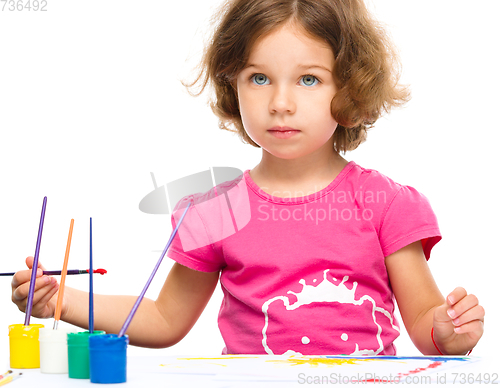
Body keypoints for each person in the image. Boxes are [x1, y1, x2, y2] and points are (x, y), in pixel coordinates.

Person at [11, 0, 484, 356]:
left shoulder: (386, 205)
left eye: (309, 79)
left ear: (351, 85)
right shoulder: (216, 212)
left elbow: (427, 322)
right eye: (260, 78)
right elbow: (163, 318)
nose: (280, 102)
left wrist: (448, 330)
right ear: (232, 83)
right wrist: (63, 302)